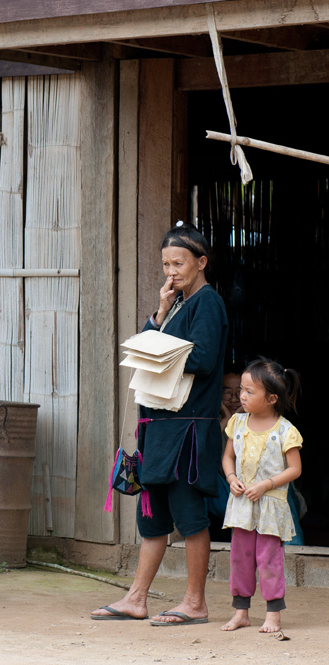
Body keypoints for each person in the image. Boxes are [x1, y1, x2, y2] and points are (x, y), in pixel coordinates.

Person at [92, 222, 228, 625]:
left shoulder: (208, 302)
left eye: (179, 262)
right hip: (158, 427)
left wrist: (156, 349)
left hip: (187, 428)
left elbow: (202, 359)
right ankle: (136, 598)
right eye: (166, 263)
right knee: (151, 518)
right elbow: (154, 347)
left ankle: (195, 602)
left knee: (189, 515)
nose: (171, 270)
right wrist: (161, 312)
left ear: (201, 262)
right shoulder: (179, 305)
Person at [221, 358, 302, 633]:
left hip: (270, 506)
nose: (241, 396)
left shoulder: (285, 430)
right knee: (240, 557)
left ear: (271, 398)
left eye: (249, 391)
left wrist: (267, 485)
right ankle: (241, 612)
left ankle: (273, 615)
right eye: (241, 389)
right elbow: (227, 457)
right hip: (243, 504)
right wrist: (231, 478)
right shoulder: (237, 422)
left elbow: (295, 469)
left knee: (269, 559)